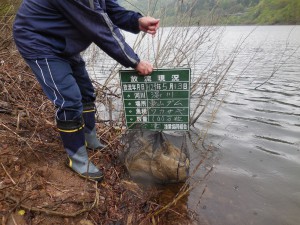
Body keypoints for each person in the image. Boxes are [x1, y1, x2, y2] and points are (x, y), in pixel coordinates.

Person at [13, 0, 159, 182]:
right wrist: (134, 61)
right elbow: (101, 29)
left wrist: (137, 21)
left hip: (63, 40)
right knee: (69, 100)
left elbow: (110, 9)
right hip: (39, 41)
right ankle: (77, 158)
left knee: (86, 92)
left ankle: (89, 138)